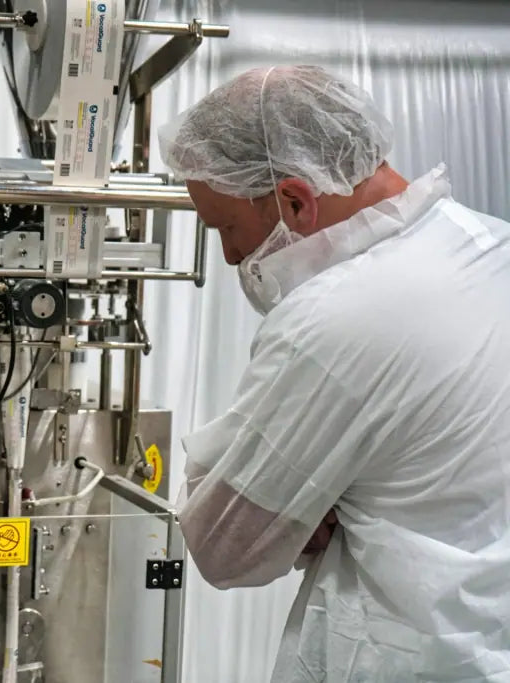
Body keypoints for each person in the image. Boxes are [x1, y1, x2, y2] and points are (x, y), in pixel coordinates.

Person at [161, 65, 510, 681]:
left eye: (226, 228)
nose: (230, 257)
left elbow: (223, 545)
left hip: (403, 658)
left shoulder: (330, 322)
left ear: (295, 199)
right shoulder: (493, 247)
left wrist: (318, 498)